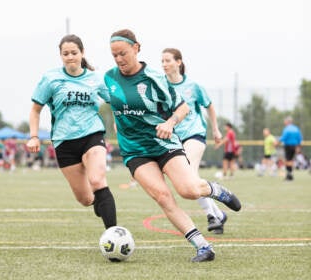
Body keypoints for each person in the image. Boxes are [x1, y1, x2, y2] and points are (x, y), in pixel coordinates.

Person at [105, 29, 241, 262]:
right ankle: (203, 247)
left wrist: (170, 122)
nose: (118, 59)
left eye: (123, 53)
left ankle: (215, 190)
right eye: (114, 55)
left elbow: (183, 108)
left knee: (189, 190)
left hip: (164, 144)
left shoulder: (155, 79)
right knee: (163, 196)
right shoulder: (109, 78)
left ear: (136, 48)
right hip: (135, 151)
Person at [26, 34, 117, 230]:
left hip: (92, 135)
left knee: (97, 179)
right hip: (64, 142)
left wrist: (119, 121)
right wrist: (33, 136)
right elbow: (35, 110)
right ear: (60, 56)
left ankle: (113, 234)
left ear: (82, 53)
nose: (70, 57)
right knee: (85, 199)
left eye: (74, 53)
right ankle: (98, 201)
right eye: (65, 53)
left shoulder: (96, 79)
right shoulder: (51, 79)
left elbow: (115, 102)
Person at [161, 48, 228, 234]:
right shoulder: (161, 86)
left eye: (168, 60)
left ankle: (212, 215)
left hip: (195, 135)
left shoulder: (193, 86)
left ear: (179, 62)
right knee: (189, 180)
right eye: (163, 61)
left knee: (189, 173)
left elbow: (209, 106)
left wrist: (215, 129)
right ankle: (219, 214)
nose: (164, 64)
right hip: (175, 139)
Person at [276, 116, 303, 181]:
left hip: (288, 146)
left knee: (288, 160)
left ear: (288, 122)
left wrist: (277, 143)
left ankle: (289, 175)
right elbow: (299, 138)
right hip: (295, 146)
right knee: (290, 160)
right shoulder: (296, 128)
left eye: (285, 121)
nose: (284, 122)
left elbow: (284, 137)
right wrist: (299, 147)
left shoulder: (287, 129)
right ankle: (290, 174)